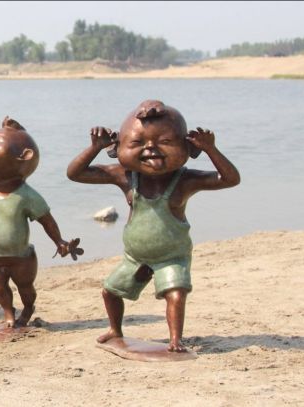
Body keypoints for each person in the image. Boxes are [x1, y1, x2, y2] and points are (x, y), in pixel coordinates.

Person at [66, 100, 240, 352]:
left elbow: (230, 179)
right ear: (118, 147)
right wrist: (95, 148)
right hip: (135, 256)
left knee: (175, 294)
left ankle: (175, 339)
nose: (151, 149)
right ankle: (115, 329)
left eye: (165, 141)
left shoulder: (185, 180)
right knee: (110, 292)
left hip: (172, 256)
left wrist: (211, 149)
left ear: (188, 147)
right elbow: (75, 173)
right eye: (137, 142)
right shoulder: (126, 177)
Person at [0, 117, 82, 328]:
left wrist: (59, 241)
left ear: (23, 157)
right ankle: (8, 313)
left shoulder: (26, 195)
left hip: (21, 257)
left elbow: (47, 221)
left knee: (25, 287)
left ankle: (27, 309)